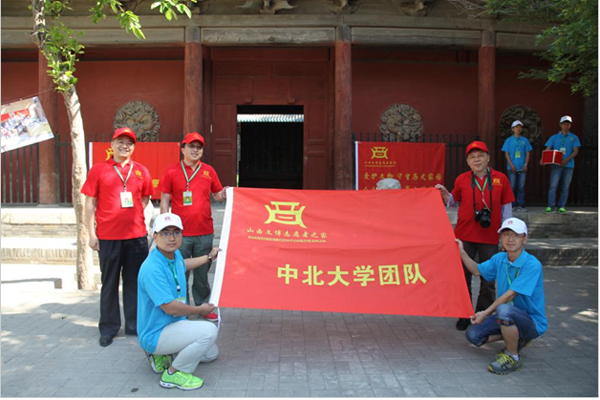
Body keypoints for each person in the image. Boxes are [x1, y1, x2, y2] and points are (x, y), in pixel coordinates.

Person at [82, 127, 154, 347]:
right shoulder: (99, 170)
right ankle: (109, 328)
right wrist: (91, 233)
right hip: (108, 237)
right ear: (112, 145)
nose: (125, 146)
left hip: (136, 237)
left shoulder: (141, 170)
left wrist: (132, 217)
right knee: (109, 283)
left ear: (134, 147)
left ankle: (134, 324)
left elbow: (145, 199)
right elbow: (90, 204)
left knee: (134, 282)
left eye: (129, 143)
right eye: (120, 141)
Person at [435, 141, 515, 331]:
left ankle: (482, 314)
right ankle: (464, 314)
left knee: (488, 280)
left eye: (480, 156)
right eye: (472, 157)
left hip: (490, 237)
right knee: (463, 278)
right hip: (464, 236)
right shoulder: (462, 179)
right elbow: (454, 201)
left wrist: (506, 235)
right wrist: (445, 194)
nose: (476, 160)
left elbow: (507, 209)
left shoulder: (501, 179)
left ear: (488, 158)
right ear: (468, 162)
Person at [138, 213, 220, 391]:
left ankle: (164, 354)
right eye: (165, 233)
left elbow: (184, 264)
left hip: (173, 324)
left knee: (211, 354)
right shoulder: (152, 268)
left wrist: (208, 257)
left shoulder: (173, 256)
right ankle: (174, 373)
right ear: (155, 236)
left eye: (176, 232)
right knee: (209, 331)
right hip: (156, 332)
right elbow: (171, 309)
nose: (171, 238)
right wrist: (200, 310)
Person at [456, 217, 547, 375]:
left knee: (504, 309)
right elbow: (476, 270)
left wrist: (485, 313)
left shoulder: (532, 264)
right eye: (506, 235)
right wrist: (461, 251)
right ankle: (517, 338)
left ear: (525, 239)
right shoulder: (500, 259)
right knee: (473, 335)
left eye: (516, 235)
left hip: (531, 321)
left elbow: (510, 295)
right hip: (506, 315)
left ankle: (512, 356)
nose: (510, 239)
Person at [158, 132, 227, 321]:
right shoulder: (171, 171)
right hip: (179, 234)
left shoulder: (208, 171)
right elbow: (165, 201)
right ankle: (182, 310)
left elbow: (217, 195)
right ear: (183, 149)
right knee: (179, 273)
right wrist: (164, 229)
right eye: (191, 146)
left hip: (204, 231)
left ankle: (203, 308)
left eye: (199, 147)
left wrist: (225, 193)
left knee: (202, 274)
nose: (195, 150)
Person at [541, 115, 581, 214]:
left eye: (568, 124)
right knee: (553, 186)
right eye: (564, 124)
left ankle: (561, 206)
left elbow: (576, 151)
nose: (566, 126)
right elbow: (547, 149)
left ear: (570, 125)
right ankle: (550, 206)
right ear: (560, 125)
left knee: (565, 187)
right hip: (556, 165)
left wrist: (566, 160)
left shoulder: (574, 137)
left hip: (569, 165)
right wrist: (543, 159)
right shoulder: (554, 137)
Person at [502, 120, 533, 212]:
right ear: (512, 129)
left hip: (522, 167)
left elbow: (528, 153)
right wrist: (511, 165)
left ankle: (520, 204)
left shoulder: (525, 140)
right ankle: (511, 204)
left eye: (520, 127)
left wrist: (526, 164)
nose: (518, 129)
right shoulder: (509, 140)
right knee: (512, 186)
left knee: (521, 187)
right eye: (516, 127)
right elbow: (506, 154)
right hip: (512, 167)